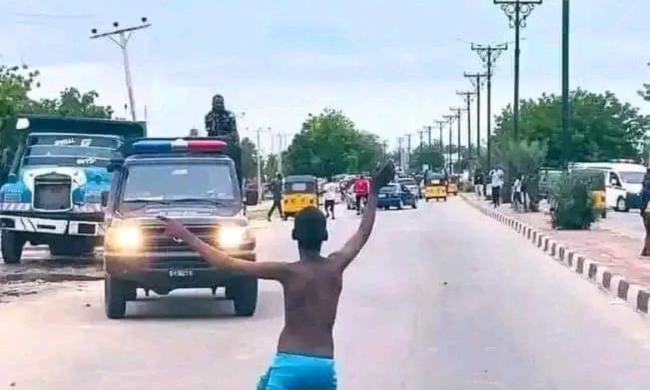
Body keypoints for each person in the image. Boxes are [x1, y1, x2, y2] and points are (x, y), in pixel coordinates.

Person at [157, 162, 395, 390]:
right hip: (323, 365)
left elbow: (226, 262)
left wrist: (186, 235)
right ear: (324, 236)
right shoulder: (335, 267)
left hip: (288, 364)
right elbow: (363, 233)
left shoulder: (287, 272)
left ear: (294, 236)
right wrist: (373, 192)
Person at [640, 169, 650, 256]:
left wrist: (642, 212)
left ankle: (646, 249)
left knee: (648, 232)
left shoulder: (645, 188)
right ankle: (646, 250)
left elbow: (642, 201)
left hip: (646, 212)